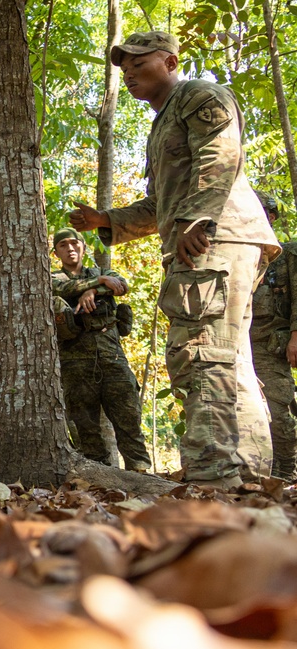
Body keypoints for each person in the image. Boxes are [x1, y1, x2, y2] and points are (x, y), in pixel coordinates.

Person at [69, 31, 280, 487]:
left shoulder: (198, 95)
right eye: (123, 66)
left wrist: (197, 219)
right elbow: (156, 206)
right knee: (230, 358)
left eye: (138, 63)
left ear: (170, 61)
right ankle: (247, 475)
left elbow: (220, 154)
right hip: (211, 238)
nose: (128, 72)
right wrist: (103, 219)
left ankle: (213, 477)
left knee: (201, 354)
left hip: (213, 240)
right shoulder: (162, 122)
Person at [50, 228, 151, 472]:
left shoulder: (104, 272)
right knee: (84, 425)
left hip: (112, 355)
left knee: (128, 416)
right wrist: (98, 283)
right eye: (63, 245)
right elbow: (59, 290)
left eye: (75, 243)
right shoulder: (53, 276)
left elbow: (121, 285)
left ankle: (140, 471)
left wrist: (92, 289)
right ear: (56, 252)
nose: (70, 248)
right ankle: (99, 476)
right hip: (75, 360)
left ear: (84, 247)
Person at [249, 192, 297, 481]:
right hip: (238, 346)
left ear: (272, 217)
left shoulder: (287, 254)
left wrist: (295, 337)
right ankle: (257, 476)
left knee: (281, 414)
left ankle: (286, 476)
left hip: (271, 345)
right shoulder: (238, 255)